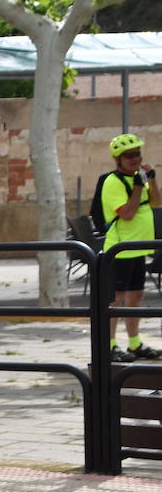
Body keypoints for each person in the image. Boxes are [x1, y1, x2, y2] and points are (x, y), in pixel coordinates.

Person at [102, 133, 162, 363]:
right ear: (118, 159)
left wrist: (152, 179)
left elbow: (156, 203)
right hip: (120, 249)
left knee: (136, 295)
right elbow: (127, 214)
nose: (135, 158)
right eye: (129, 155)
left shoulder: (139, 177)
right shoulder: (113, 182)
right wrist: (138, 187)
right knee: (114, 300)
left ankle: (134, 343)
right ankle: (110, 345)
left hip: (139, 248)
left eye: (137, 153)